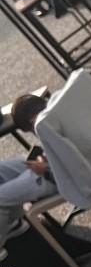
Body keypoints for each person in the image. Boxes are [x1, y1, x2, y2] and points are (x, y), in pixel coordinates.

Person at [0, 94, 54, 253]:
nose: (33, 132)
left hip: (54, 178)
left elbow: (68, 166)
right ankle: (13, 220)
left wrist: (43, 166)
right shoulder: (57, 119)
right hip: (46, 167)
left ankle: (10, 227)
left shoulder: (50, 125)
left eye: (31, 130)